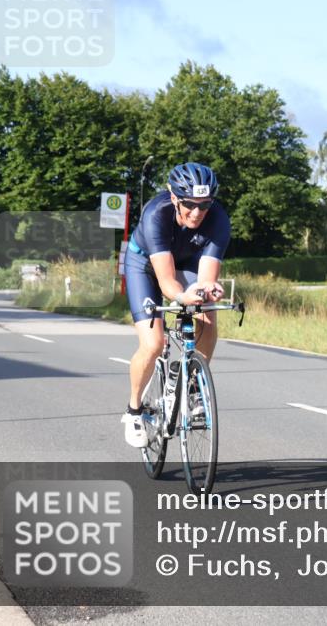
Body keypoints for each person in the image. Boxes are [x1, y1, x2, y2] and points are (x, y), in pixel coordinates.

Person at [121, 163, 229, 447]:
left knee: (206, 315)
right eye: (189, 204)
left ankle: (192, 387)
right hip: (144, 265)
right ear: (174, 198)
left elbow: (205, 278)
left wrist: (207, 290)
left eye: (204, 204)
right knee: (153, 343)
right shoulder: (157, 214)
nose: (197, 212)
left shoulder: (218, 219)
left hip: (188, 263)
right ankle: (133, 410)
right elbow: (168, 283)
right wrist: (180, 298)